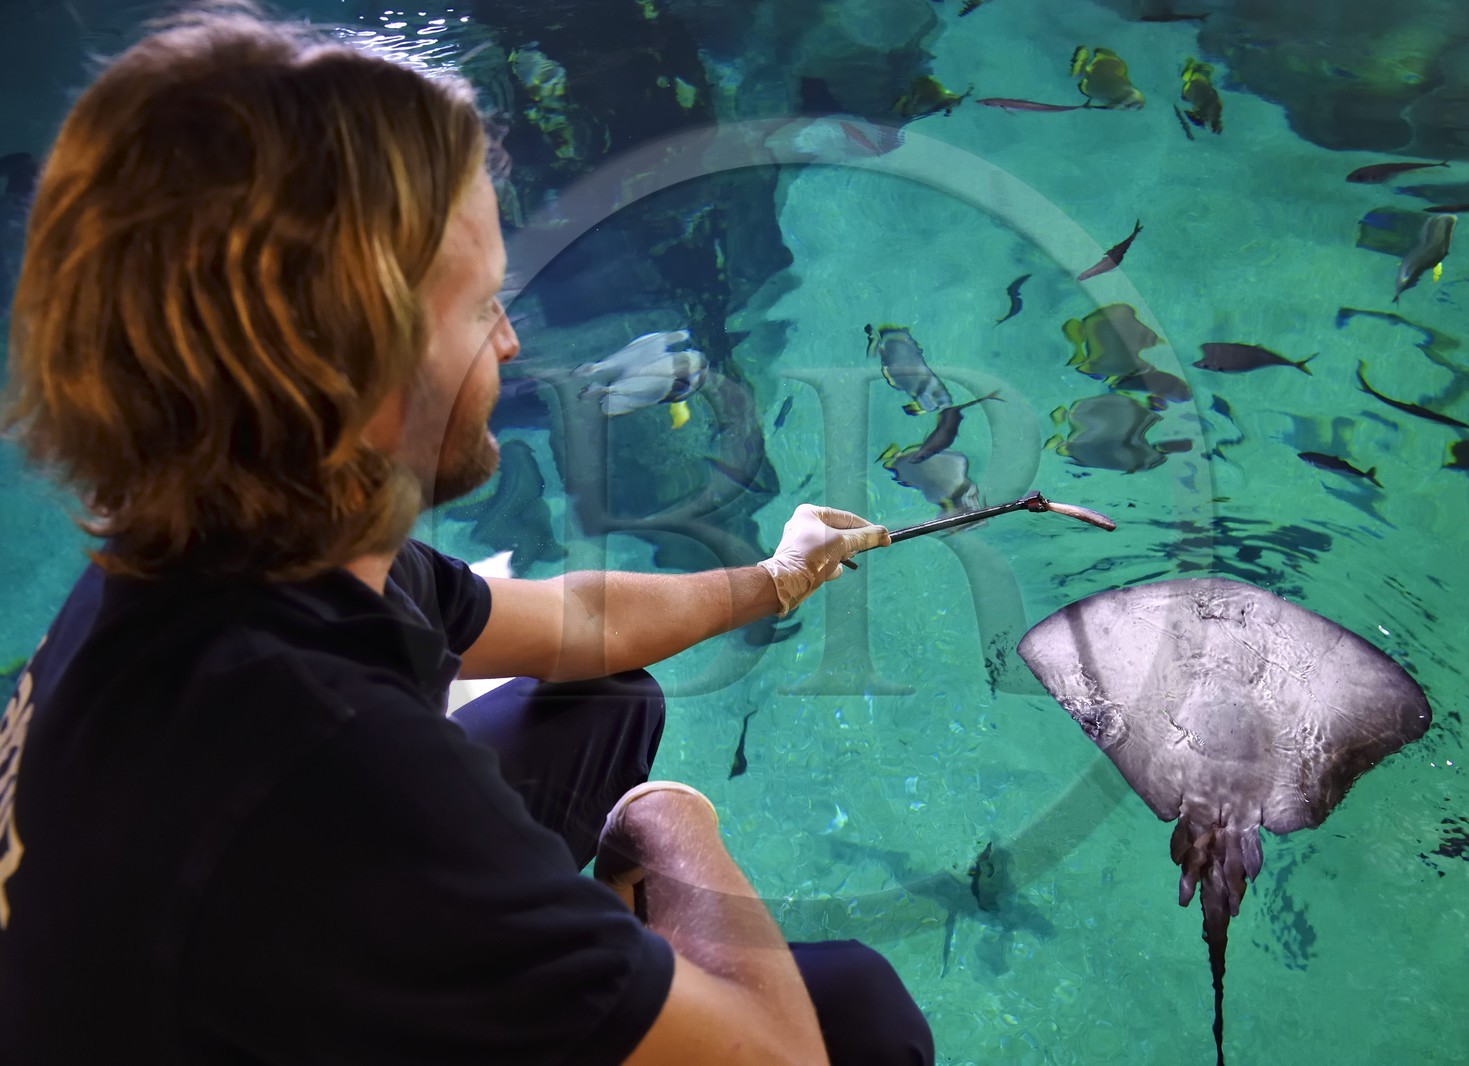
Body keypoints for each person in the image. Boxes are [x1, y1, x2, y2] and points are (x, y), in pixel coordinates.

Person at [0, 5, 936, 1064]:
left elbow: (573, 623)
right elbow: (777, 1054)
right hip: (289, 938)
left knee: (606, 688)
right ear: (344, 368)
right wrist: (673, 821)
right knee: (856, 1012)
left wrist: (772, 577)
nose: (512, 337)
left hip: (241, 970)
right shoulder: (338, 757)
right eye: (484, 304)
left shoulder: (227, 543)